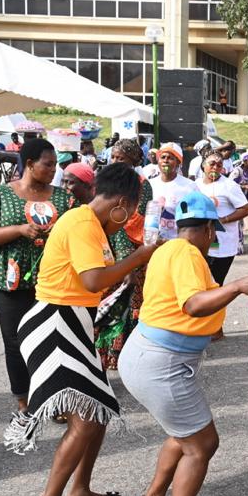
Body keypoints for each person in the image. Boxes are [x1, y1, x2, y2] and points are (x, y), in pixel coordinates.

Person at [3, 163, 158, 496]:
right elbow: (92, 279)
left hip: (73, 322)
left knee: (97, 410)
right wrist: (139, 256)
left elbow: (92, 284)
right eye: (133, 209)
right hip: (54, 323)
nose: (131, 218)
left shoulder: (91, 226)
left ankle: (79, 492)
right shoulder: (81, 223)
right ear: (122, 202)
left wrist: (128, 273)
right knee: (85, 418)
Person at [119, 191, 248, 496]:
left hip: (148, 356)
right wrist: (237, 285)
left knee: (182, 434)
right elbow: (192, 304)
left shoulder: (169, 249)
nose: (213, 238)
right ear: (204, 228)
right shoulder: (188, 253)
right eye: (212, 231)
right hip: (162, 363)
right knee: (202, 445)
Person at [0, 139, 75, 414]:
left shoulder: (63, 198)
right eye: (48, 164)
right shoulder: (2, 195)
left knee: (54, 339)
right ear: (29, 164)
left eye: (55, 164)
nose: (54, 169)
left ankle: (54, 397)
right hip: (10, 280)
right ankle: (24, 401)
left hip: (53, 281)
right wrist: (18, 230)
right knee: (16, 342)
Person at [96, 138, 155, 371]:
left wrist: (119, 232)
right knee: (107, 298)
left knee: (130, 300)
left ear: (134, 160)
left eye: (122, 158)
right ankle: (105, 353)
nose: (116, 161)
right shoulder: (106, 181)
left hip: (133, 247)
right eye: (114, 157)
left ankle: (127, 353)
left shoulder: (143, 185)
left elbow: (138, 218)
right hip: (106, 243)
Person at [197, 151, 248, 287]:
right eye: (212, 164)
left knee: (215, 285)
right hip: (201, 244)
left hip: (222, 246)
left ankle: (215, 308)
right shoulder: (196, 185)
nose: (215, 167)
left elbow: (245, 209)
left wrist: (223, 220)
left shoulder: (229, 186)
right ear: (203, 166)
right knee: (200, 284)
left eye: (219, 165)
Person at [149, 143, 198, 242]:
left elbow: (196, 214)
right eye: (163, 157)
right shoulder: (150, 184)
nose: (165, 161)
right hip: (154, 242)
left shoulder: (190, 186)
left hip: (179, 242)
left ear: (178, 162)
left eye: (170, 158)